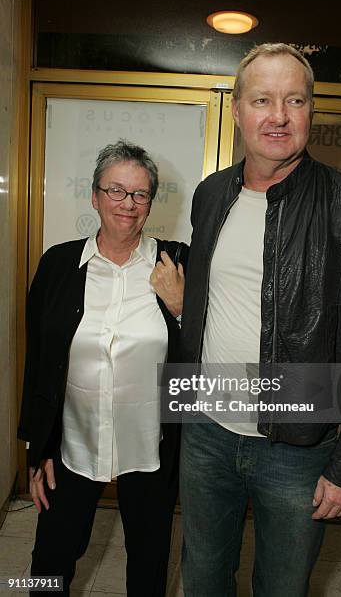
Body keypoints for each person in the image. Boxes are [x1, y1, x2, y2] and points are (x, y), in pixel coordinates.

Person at [179, 43, 341, 596]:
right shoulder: (210, 196)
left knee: (281, 587)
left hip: (298, 444)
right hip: (206, 433)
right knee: (203, 577)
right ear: (237, 110)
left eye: (294, 100)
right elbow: (211, 307)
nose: (277, 115)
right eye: (262, 99)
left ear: (311, 112)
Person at [18, 139, 187, 596]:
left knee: (150, 561)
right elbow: (40, 363)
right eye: (116, 191)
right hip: (74, 440)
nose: (127, 204)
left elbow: (206, 354)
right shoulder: (58, 263)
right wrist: (37, 451)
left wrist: (180, 308)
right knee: (50, 559)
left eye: (139, 194)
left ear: (151, 202)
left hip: (150, 446)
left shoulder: (177, 261)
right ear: (94, 196)